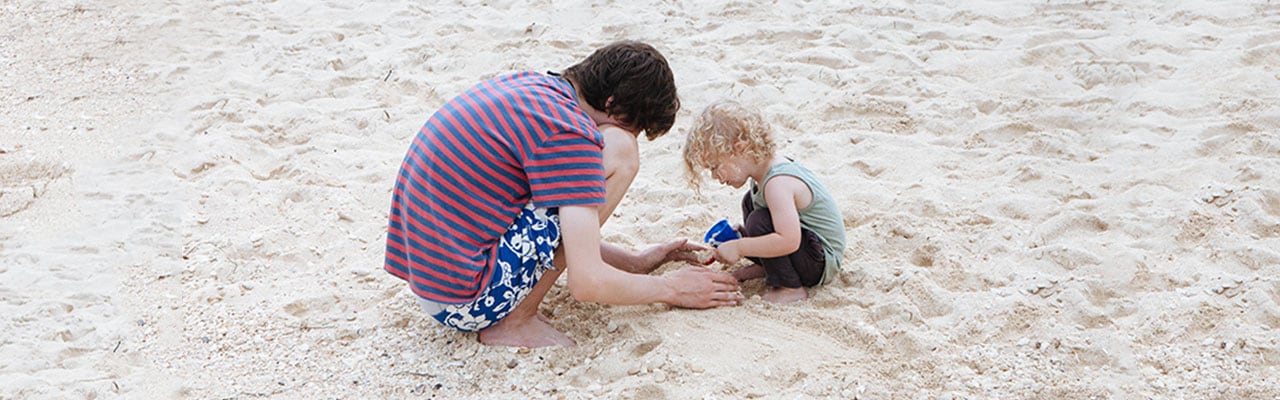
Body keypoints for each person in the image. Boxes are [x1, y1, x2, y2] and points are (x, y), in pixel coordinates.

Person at [384, 41, 744, 348]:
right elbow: (587, 282)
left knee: (570, 185)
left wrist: (635, 262)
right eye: (635, 127)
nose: (630, 135)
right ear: (613, 105)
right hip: (466, 302)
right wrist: (672, 289)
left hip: (434, 286)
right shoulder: (570, 131)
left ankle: (515, 311)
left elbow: (536, 216)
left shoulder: (532, 87)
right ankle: (516, 320)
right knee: (620, 152)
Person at [682, 100, 847, 303]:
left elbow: (789, 240)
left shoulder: (777, 183)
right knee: (750, 205)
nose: (716, 176)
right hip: (807, 248)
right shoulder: (763, 177)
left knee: (758, 221)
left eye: (715, 167)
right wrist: (740, 238)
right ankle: (769, 267)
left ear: (739, 149)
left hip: (821, 261)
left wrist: (741, 247)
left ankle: (790, 288)